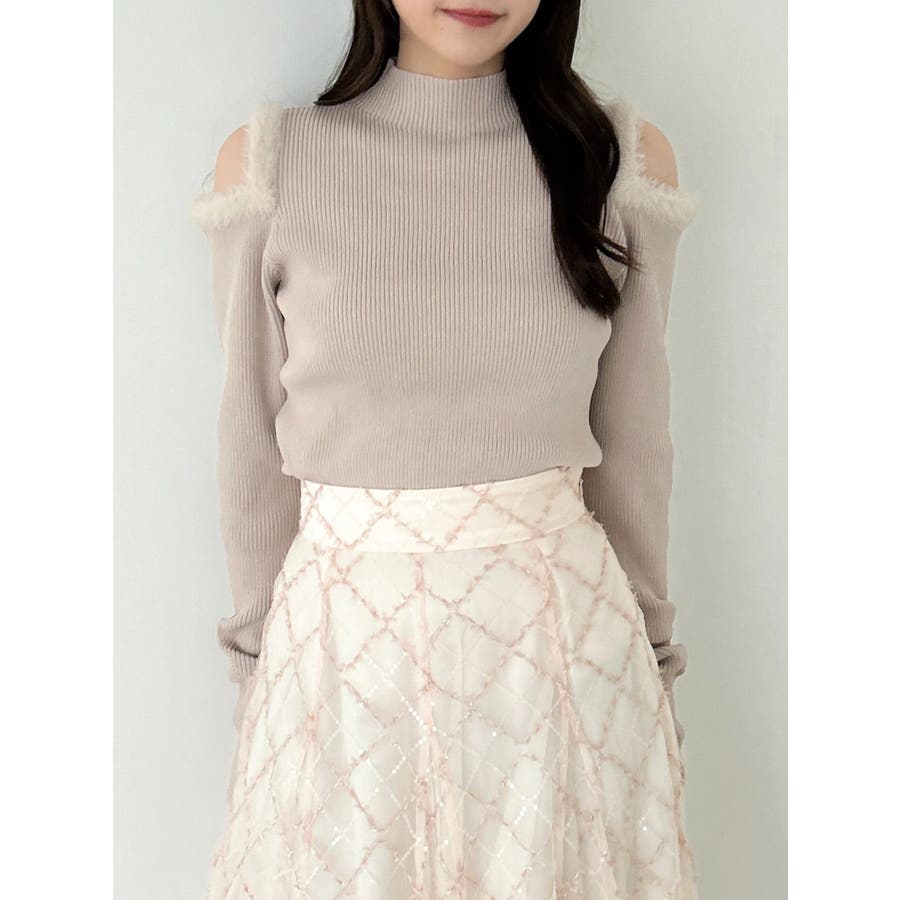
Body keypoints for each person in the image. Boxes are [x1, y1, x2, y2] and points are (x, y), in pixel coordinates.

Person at [189, 2, 699, 897]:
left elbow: (635, 445)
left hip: (560, 657)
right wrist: (261, 678)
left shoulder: (617, 159)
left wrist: (652, 672)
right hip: (342, 662)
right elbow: (250, 446)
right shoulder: (272, 163)